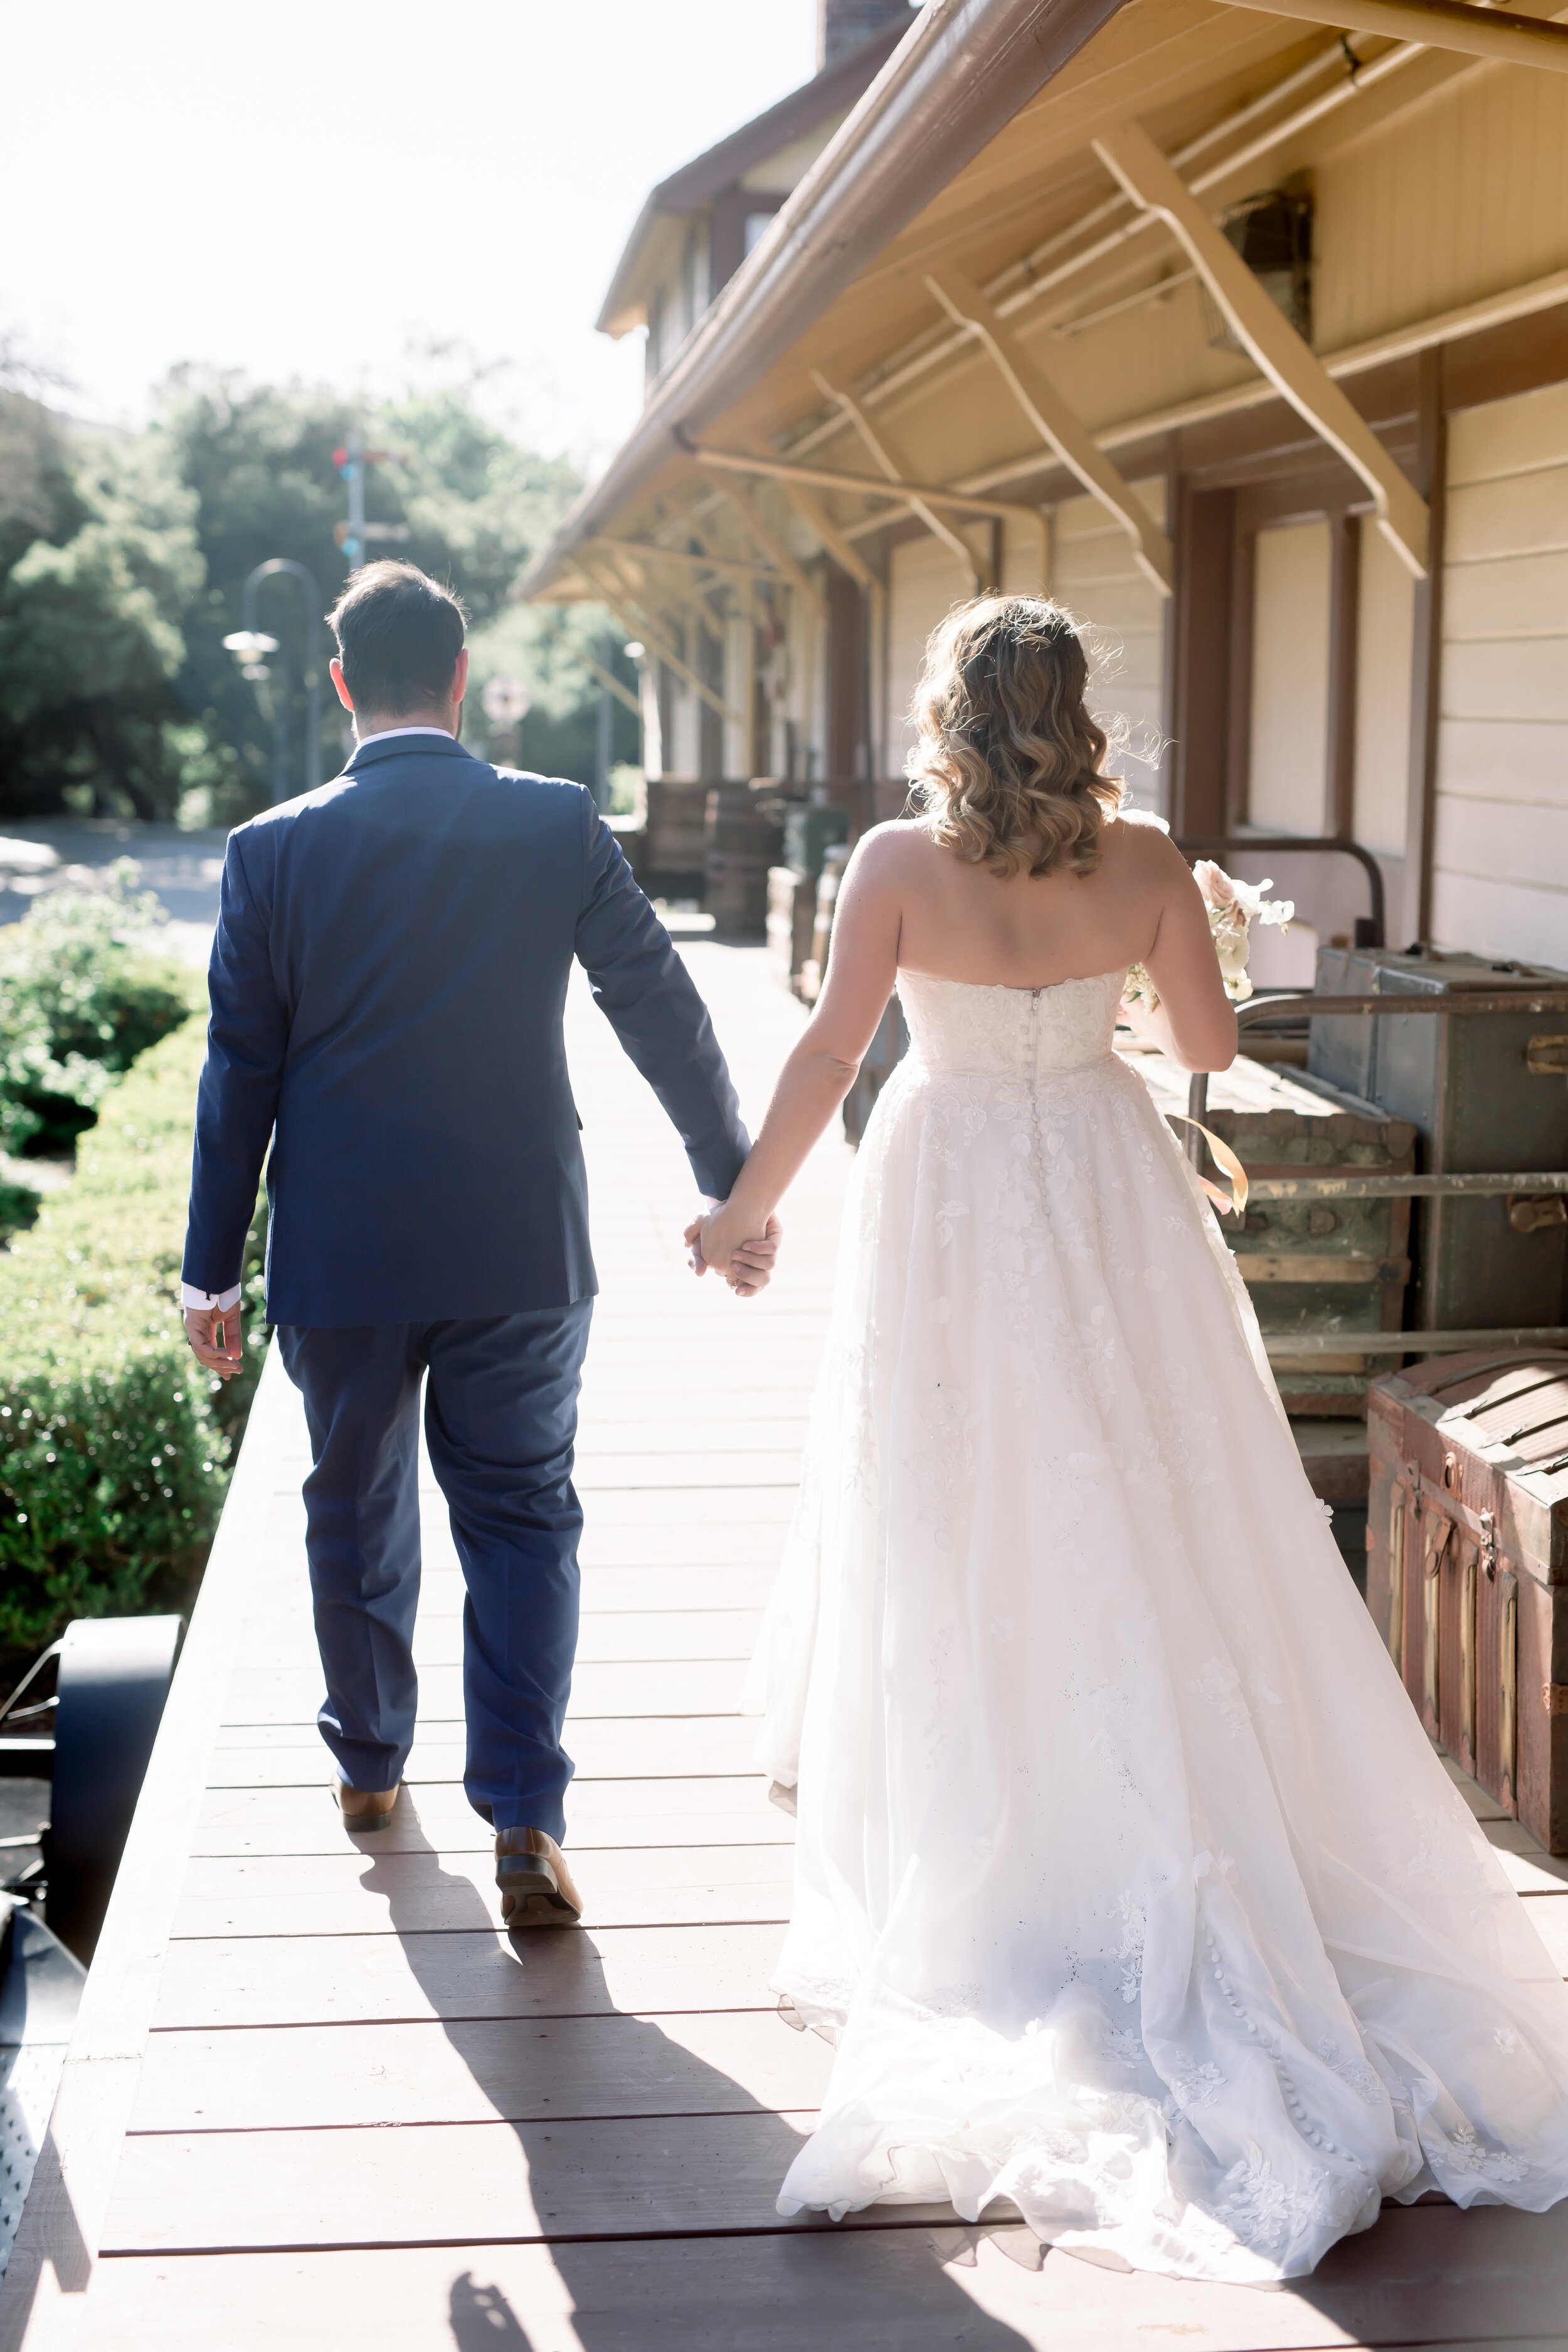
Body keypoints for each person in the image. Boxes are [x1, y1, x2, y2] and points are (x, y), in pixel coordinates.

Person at [696, 595, 1568, 2282]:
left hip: (944, 1186)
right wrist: (1201, 935)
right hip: (1102, 1177)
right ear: (1076, 710)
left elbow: (827, 1046)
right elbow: (1210, 1050)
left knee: (958, 1501)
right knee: (1149, 1490)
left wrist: (744, 1208)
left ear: (952, 707)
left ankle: (999, 1806)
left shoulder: (889, 857)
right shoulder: (1150, 853)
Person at [181, 559, 774, 1929]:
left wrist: (214, 1265)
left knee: (351, 1498)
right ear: (459, 679)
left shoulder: (271, 848)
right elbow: (659, 1009)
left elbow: (238, 1073)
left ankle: (370, 1768)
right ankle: (519, 1811)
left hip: (341, 1250)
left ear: (340, 685)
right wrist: (729, 1186)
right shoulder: (552, 822)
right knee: (519, 1514)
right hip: (517, 1239)